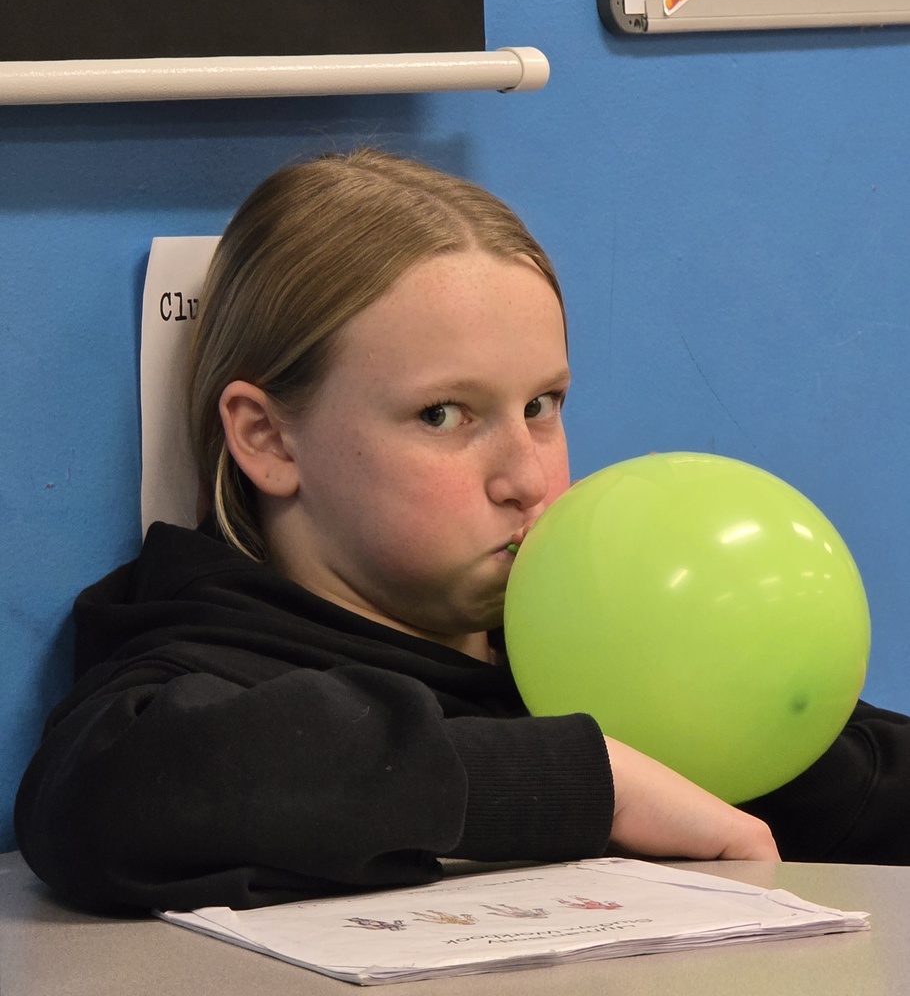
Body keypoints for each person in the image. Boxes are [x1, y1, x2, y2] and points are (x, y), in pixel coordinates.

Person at [12, 150, 907, 913]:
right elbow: (105, 795)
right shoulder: (202, 674)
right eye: (443, 414)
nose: (526, 476)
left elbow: (852, 782)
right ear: (267, 437)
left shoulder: (611, 642)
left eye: (542, 406)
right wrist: (588, 781)